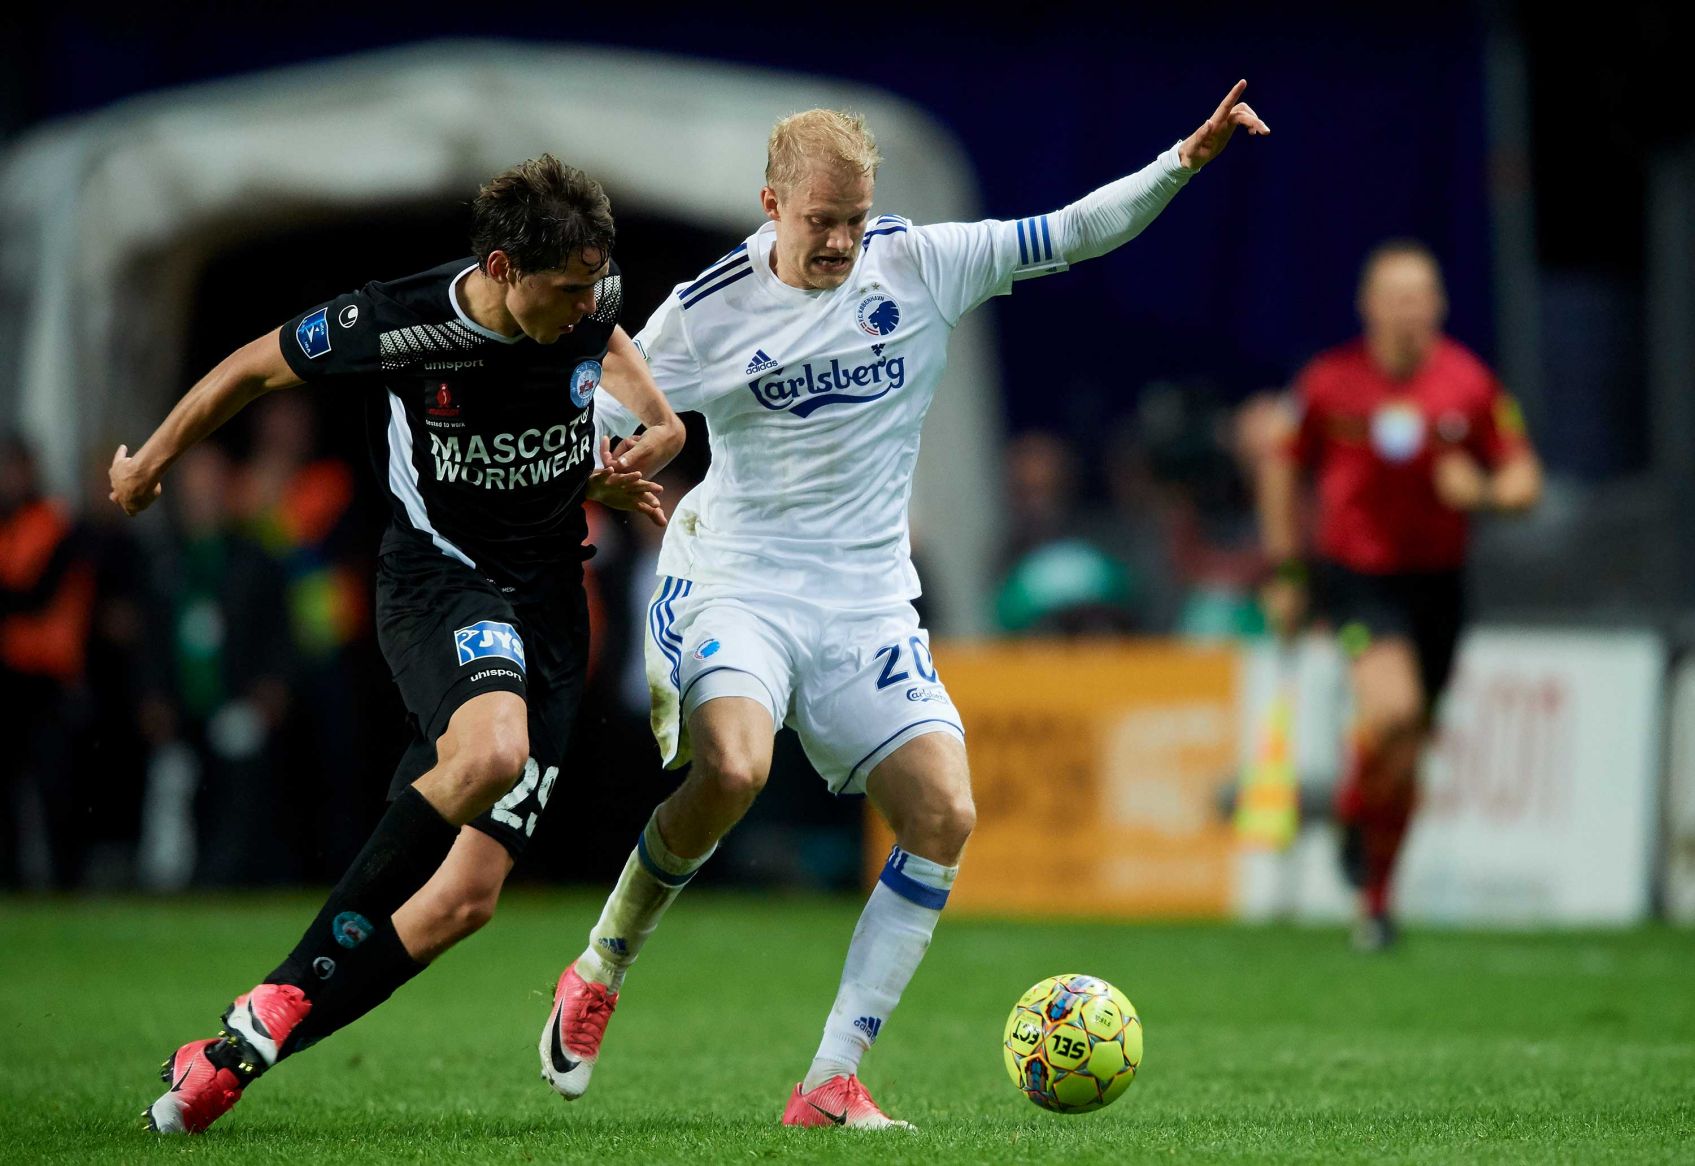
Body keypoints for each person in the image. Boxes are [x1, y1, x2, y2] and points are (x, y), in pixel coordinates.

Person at [540, 84, 1268, 1129]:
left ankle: (830, 1079)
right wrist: (605, 470)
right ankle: (602, 962)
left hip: (868, 599)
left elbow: (1076, 230)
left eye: (853, 218)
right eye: (820, 221)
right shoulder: (707, 309)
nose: (841, 241)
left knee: (944, 814)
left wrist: (1182, 161)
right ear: (771, 205)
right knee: (736, 767)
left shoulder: (917, 261)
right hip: (738, 581)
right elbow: (599, 415)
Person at [109, 155, 684, 1134]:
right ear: (502, 267)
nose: (590, 304)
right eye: (568, 289)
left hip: (551, 607)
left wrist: (636, 452)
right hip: (442, 581)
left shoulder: (593, 295)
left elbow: (645, 403)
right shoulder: (405, 320)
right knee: (491, 749)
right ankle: (286, 988)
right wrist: (149, 461)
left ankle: (238, 1051)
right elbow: (254, 365)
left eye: (597, 284)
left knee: (465, 898)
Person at [1254, 239, 1542, 951]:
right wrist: (1287, 571)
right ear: (1370, 305)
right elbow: (1280, 468)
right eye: (1397, 296)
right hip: (1356, 580)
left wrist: (1482, 493)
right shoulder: (1329, 383)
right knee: (1392, 713)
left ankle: (1375, 900)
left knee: (1406, 747)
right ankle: (1360, 831)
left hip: (1438, 584)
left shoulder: (1469, 385)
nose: (1412, 310)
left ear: (1440, 305)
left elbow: (1522, 478)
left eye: (1424, 296)